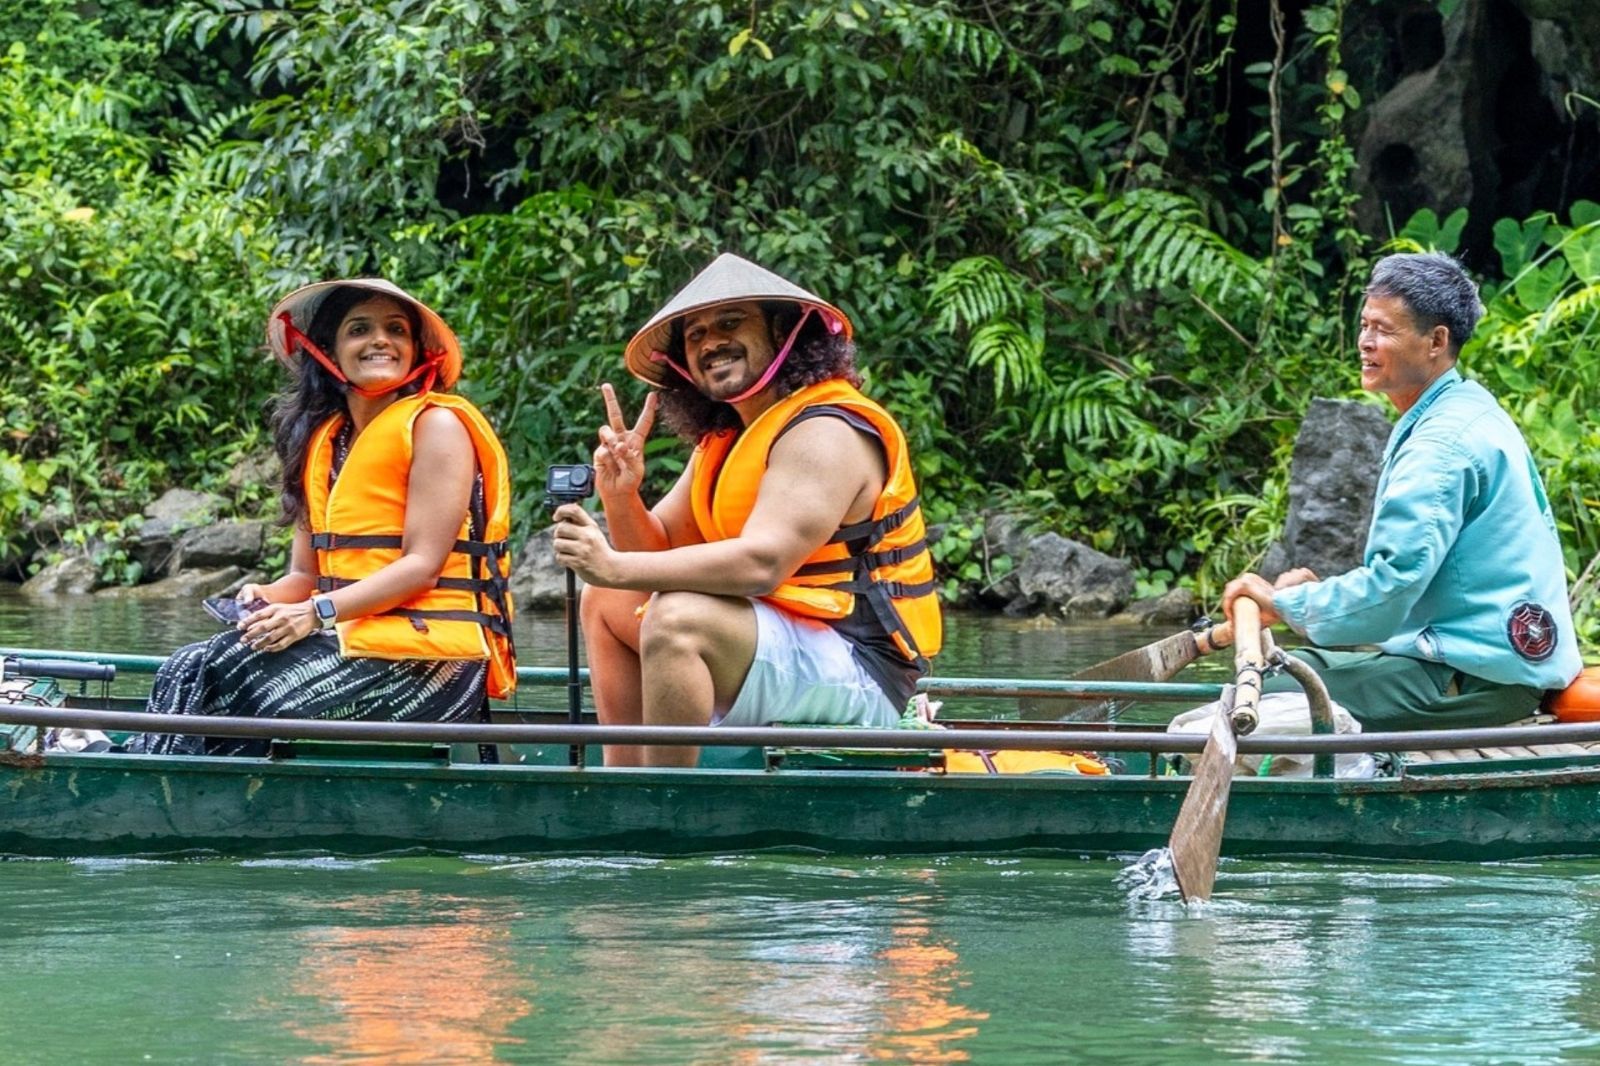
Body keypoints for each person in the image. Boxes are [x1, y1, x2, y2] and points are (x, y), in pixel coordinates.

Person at [551, 253, 942, 766]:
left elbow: (762, 564)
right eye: (695, 336)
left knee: (676, 619)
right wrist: (621, 496)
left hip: (864, 668)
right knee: (606, 597)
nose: (710, 342)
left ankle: (661, 809)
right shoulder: (727, 440)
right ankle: (622, 783)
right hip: (782, 646)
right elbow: (652, 553)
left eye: (731, 323)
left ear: (784, 333)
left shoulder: (826, 427)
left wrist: (613, 564)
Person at [130, 278, 516, 756]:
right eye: (360, 329)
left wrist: (313, 615)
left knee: (238, 679)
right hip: (351, 640)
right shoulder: (324, 442)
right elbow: (305, 576)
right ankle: (164, 789)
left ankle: (179, 797)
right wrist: (266, 597)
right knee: (186, 665)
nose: (380, 340)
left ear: (417, 351)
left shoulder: (436, 426)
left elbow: (422, 566)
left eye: (396, 330)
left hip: (432, 666)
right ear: (328, 349)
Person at [1223, 252, 1581, 731]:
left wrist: (1284, 604)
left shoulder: (1440, 443)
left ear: (1436, 341)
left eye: (1384, 330)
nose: (1366, 343)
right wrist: (1312, 599)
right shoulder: (1465, 407)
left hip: (1472, 678)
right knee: (1286, 671)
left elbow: (1394, 586)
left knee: (1263, 696)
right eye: (1365, 326)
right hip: (1486, 665)